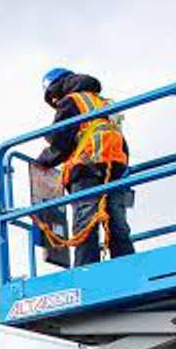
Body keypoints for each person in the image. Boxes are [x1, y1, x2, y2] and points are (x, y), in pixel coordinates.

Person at [34, 67, 134, 266]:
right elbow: (121, 142)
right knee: (117, 223)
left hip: (87, 169)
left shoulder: (72, 101)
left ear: (62, 85)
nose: (54, 102)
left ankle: (85, 271)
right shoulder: (104, 104)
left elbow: (60, 141)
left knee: (86, 222)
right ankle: (127, 266)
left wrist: (41, 162)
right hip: (115, 169)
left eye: (53, 95)